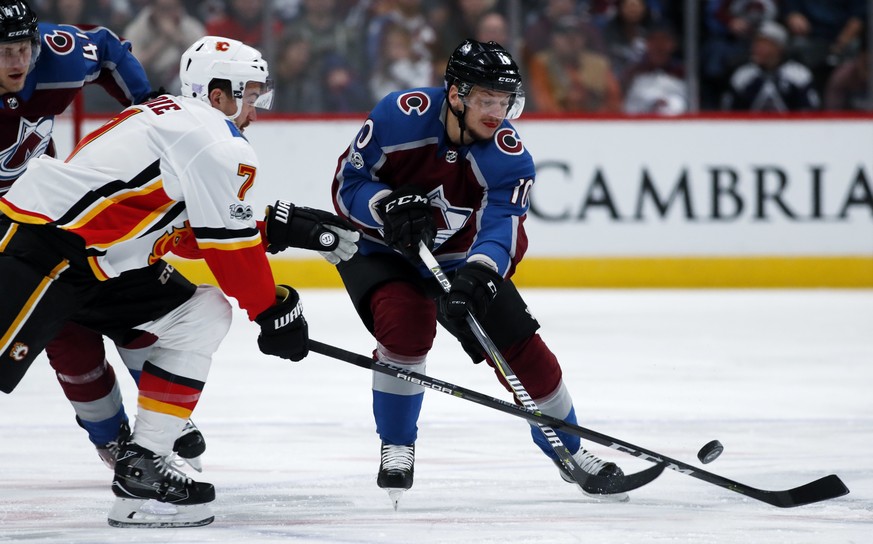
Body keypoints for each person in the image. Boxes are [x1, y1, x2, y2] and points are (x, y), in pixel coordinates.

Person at [0, 35, 358, 527]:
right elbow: (227, 251)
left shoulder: (172, 120)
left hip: (98, 265)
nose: (256, 108)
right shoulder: (214, 140)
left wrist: (272, 232)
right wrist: (272, 309)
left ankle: (141, 469)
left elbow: (185, 235)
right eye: (249, 94)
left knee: (201, 312)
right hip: (43, 250)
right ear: (216, 94)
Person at [330, 39, 628, 508]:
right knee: (405, 326)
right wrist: (385, 206)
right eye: (487, 99)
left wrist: (481, 273)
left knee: (522, 347)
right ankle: (398, 443)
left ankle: (569, 450)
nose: (498, 112)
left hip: (459, 256)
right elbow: (348, 185)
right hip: (380, 247)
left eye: (505, 101)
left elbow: (503, 228)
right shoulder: (397, 116)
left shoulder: (509, 157)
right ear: (456, 94)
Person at [0, 0, 211, 471]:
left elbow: (109, 49)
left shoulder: (58, 55)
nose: (17, 62)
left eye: (22, 49)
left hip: (52, 208)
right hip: (10, 233)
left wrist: (148, 110)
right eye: (4, 52)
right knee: (64, 328)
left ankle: (157, 404)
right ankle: (109, 435)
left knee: (125, 294)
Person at [721, 20, 820, 111]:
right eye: (755, 43)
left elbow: (808, 111)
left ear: (779, 47)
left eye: (763, 43)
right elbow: (730, 112)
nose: (756, 48)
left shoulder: (799, 74)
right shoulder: (742, 75)